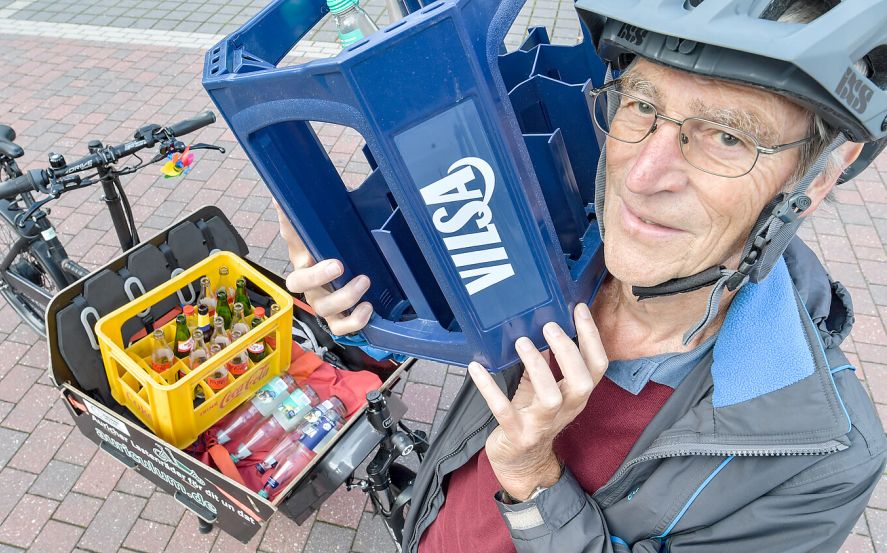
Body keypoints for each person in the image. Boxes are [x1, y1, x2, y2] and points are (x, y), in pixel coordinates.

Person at [276, 0, 887, 550]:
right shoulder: (567, 238)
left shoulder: (819, 460)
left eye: (727, 136)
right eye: (643, 104)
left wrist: (533, 479)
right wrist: (364, 309)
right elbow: (450, 307)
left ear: (825, 170)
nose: (641, 177)